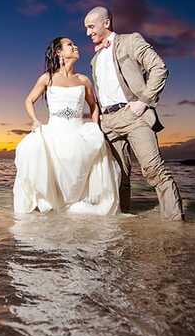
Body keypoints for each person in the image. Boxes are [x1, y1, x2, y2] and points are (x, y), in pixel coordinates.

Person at [85, 5, 185, 221]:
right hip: (108, 122)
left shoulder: (130, 41)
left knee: (153, 170)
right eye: (86, 28)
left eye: (91, 26)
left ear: (106, 23)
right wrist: (100, 118)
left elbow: (159, 67)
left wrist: (144, 101)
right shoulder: (94, 60)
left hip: (135, 116)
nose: (87, 32)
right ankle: (124, 225)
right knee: (118, 177)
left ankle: (176, 227)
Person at [13, 36, 121, 215]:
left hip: (78, 131)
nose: (75, 46)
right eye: (70, 45)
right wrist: (34, 120)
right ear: (58, 52)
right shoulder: (47, 78)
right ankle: (51, 210)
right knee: (32, 150)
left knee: (81, 172)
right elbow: (29, 100)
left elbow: (94, 107)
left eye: (74, 44)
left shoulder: (83, 80)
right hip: (54, 132)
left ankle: (74, 208)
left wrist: (95, 128)